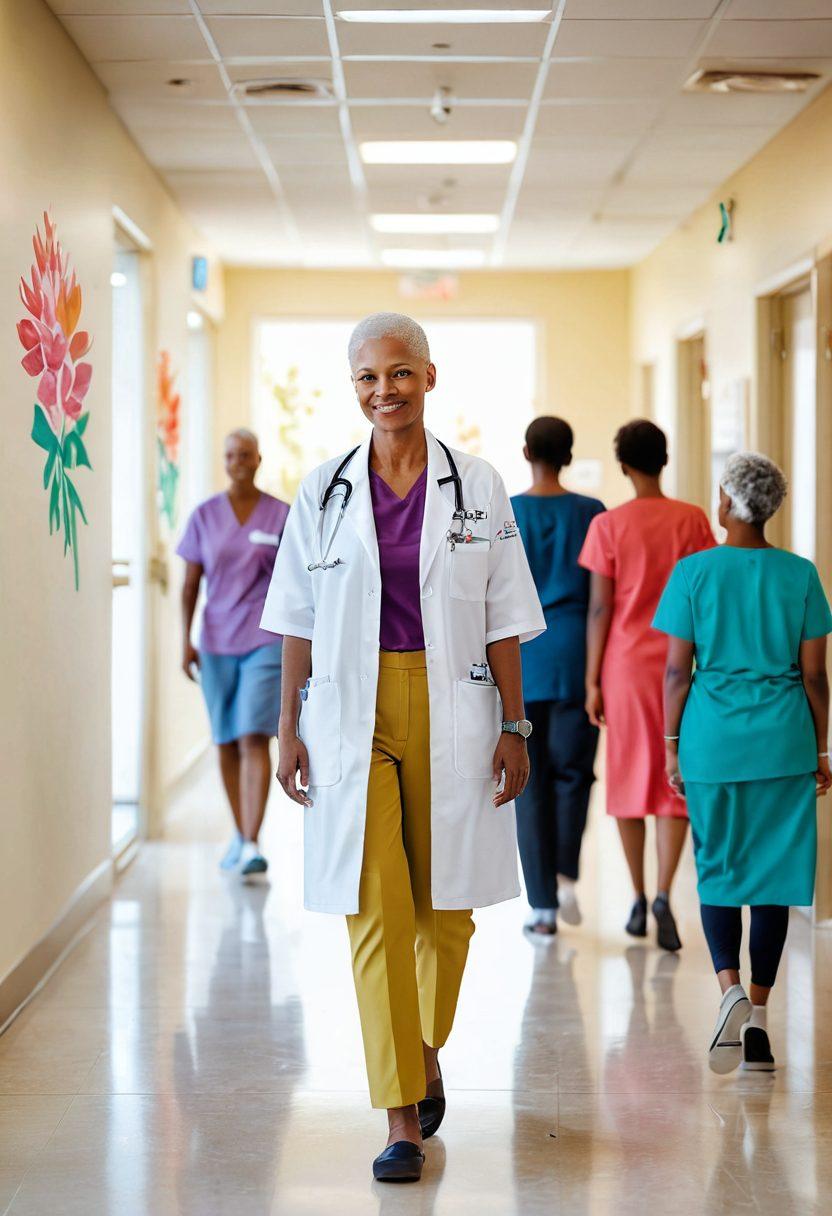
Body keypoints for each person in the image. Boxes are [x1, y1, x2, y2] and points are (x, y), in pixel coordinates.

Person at [260, 312, 544, 1182]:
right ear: (355, 388)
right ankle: (400, 1119)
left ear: (429, 375)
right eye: (367, 379)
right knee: (373, 911)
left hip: (454, 701)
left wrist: (513, 722)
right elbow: (297, 620)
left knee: (446, 912)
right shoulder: (323, 489)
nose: (384, 391)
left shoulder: (481, 485)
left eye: (398, 374)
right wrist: (286, 729)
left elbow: (503, 615)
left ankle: (422, 1050)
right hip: (351, 709)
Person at [654, 452, 831, 1073]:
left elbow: (678, 670)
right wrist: (821, 750)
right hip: (783, 742)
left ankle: (727, 986)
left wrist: (672, 744)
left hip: (713, 743)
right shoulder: (800, 575)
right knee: (774, 882)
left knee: (720, 870)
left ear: (727, 503)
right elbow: (815, 676)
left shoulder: (694, 573)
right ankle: (756, 1016)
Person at [579, 419, 715, 950]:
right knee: (673, 775)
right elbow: (703, 596)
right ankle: (663, 894)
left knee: (629, 777)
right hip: (680, 664)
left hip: (626, 665)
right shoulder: (693, 520)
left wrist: (592, 680)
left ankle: (635, 899)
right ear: (664, 459)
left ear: (625, 466)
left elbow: (599, 608)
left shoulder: (609, 526)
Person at [178, 429, 289, 879]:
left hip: (265, 639)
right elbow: (189, 585)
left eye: (245, 454)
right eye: (230, 455)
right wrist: (183, 639)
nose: (237, 462)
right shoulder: (204, 516)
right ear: (223, 461)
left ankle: (251, 841)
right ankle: (241, 835)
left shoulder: (281, 514)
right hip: (216, 641)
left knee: (252, 735)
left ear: (258, 459)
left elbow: (297, 584)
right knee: (225, 738)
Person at [511, 416, 605, 936]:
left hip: (522, 656)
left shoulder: (506, 511)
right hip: (576, 654)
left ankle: (542, 905)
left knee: (532, 780)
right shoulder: (591, 512)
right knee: (576, 772)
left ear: (526, 452)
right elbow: (600, 601)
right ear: (568, 454)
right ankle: (567, 872)